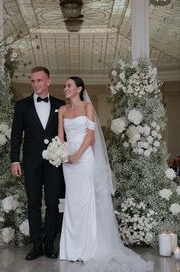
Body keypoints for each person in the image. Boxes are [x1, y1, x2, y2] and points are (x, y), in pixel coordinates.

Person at [58, 76, 153, 271]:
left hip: (84, 160)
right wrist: (60, 153)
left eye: (69, 86)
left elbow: (90, 136)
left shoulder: (87, 108)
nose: (65, 89)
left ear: (79, 89)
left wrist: (77, 155)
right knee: (72, 201)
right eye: (65, 86)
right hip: (67, 161)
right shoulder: (62, 110)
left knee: (85, 200)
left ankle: (87, 248)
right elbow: (60, 136)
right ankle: (70, 249)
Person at [11, 66, 65, 260]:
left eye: (39, 80)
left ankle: (50, 244)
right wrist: (15, 160)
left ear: (48, 81)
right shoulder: (22, 105)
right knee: (33, 203)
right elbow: (16, 134)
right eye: (32, 81)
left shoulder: (61, 104)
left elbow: (65, 134)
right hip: (31, 163)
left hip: (53, 163)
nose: (35, 84)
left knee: (52, 203)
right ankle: (36, 246)